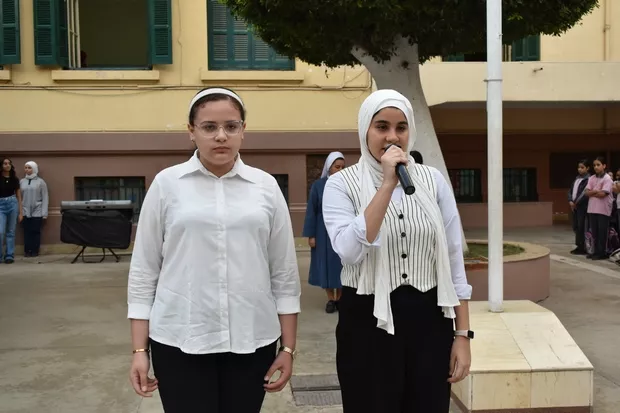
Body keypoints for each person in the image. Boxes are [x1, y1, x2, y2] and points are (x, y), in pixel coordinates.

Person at [127, 87, 301, 412]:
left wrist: (287, 348)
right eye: (209, 127)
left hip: (252, 340)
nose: (221, 136)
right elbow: (144, 270)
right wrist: (140, 351)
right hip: (180, 339)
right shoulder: (167, 185)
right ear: (191, 131)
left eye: (231, 126)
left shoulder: (265, 187)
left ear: (243, 130)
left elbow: (284, 272)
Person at [322, 89, 473, 413]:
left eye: (401, 127)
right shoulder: (340, 184)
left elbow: (452, 259)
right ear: (365, 130)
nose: (393, 136)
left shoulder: (433, 180)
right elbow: (348, 251)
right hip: (366, 321)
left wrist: (462, 334)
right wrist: (387, 184)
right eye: (382, 126)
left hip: (429, 319)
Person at [302, 152, 346, 313]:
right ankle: (331, 299)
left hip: (341, 229)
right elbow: (311, 211)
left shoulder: (347, 184)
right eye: (337, 167)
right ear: (329, 167)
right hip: (322, 232)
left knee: (341, 265)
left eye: (342, 167)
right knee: (325, 265)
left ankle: (340, 298)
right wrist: (311, 235)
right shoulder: (318, 186)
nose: (340, 170)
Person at [585, 156, 614, 260]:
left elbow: (603, 194)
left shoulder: (607, 179)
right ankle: (595, 251)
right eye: (594, 165)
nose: (596, 167)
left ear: (604, 166)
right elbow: (586, 193)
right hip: (592, 209)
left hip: (603, 210)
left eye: (598, 165)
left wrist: (592, 192)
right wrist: (596, 191)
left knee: (602, 232)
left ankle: (602, 252)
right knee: (594, 232)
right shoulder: (592, 178)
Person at [20, 161, 49, 257]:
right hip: (25, 210)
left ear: (34, 169)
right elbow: (19, 197)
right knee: (26, 232)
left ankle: (35, 250)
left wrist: (44, 213)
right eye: (25, 168)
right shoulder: (22, 182)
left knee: (35, 231)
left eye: (29, 168)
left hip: (37, 210)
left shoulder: (41, 182)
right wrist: (19, 211)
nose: (27, 169)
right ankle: (27, 251)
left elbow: (45, 197)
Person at [0, 157, 23, 264]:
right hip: (1, 205)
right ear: (1, 166)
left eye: (9, 163)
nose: (7, 165)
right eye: (5, 163)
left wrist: (21, 212)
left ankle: (9, 255)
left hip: (12, 204)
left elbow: (19, 196)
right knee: (1, 232)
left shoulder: (15, 179)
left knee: (11, 231)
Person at [568, 159, 590, 255]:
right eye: (579, 167)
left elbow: (584, 194)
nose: (580, 169)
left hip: (582, 207)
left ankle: (583, 247)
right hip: (575, 207)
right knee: (576, 226)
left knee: (582, 226)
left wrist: (576, 203)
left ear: (587, 168)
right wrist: (570, 200)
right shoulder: (576, 179)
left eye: (582, 167)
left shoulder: (588, 179)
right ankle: (578, 245)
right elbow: (570, 191)